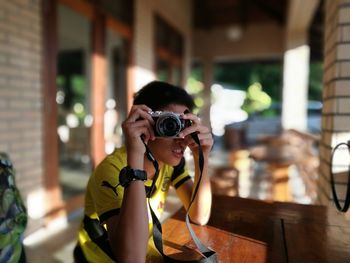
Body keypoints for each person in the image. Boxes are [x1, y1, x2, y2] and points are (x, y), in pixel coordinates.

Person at [74, 81, 213, 262]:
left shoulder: (168, 162)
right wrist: (136, 156)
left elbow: (199, 216)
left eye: (185, 125)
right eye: (171, 124)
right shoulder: (112, 171)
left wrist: (201, 158)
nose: (182, 139)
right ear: (145, 122)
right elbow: (131, 259)